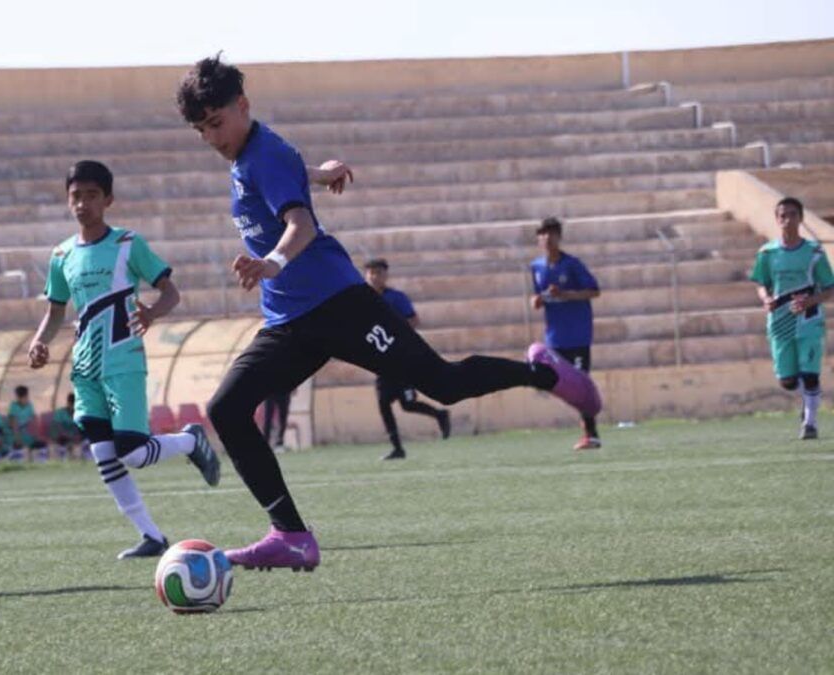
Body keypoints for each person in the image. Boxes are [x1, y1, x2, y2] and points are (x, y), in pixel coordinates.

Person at [177, 55, 601, 571]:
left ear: (242, 106)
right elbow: (283, 174)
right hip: (290, 322)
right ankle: (290, 535)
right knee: (227, 409)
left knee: (442, 384)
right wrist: (318, 171)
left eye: (216, 123)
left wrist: (271, 262)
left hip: (340, 306)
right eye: (201, 130)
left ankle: (544, 372)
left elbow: (301, 224)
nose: (211, 138)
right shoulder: (253, 155)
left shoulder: (262, 152)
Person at [28, 160, 221, 560]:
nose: (83, 203)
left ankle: (189, 440)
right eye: (75, 196)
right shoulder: (61, 254)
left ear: (108, 199)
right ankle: (151, 536)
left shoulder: (128, 244)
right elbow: (56, 311)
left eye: (92, 195)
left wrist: (151, 311)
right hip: (86, 368)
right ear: (68, 200)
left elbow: (171, 292)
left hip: (124, 361)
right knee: (103, 453)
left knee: (131, 452)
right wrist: (39, 341)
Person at [750, 197, 834, 440]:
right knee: (786, 380)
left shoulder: (814, 253)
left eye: (792, 215)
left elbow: (830, 287)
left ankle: (810, 422)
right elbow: (761, 284)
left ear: (801, 218)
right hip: (779, 321)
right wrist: (765, 298)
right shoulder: (767, 253)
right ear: (777, 220)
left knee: (810, 373)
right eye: (782, 215)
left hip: (809, 320)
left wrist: (810, 301)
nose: (787, 220)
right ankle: (808, 400)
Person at [363, 259, 452, 459]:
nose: (374, 277)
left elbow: (414, 320)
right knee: (383, 402)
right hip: (380, 359)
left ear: (385, 275)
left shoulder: (396, 297)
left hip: (401, 357)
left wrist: (396, 329)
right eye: (370, 273)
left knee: (407, 403)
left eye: (378, 273)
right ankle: (397, 447)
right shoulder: (362, 300)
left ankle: (440, 415)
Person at [529, 218, 603, 450]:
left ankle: (591, 435)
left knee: (581, 385)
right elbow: (536, 300)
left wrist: (565, 294)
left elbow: (593, 291)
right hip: (554, 337)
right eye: (542, 235)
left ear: (559, 237)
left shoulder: (572, 264)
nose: (547, 239)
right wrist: (538, 300)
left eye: (551, 234)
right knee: (546, 376)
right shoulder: (537, 267)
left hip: (577, 335)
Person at [8, 385, 47, 458]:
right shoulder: (13, 406)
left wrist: (37, 435)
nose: (25, 399)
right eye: (22, 397)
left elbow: (34, 420)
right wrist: (17, 438)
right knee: (19, 448)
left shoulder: (29, 405)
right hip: (17, 435)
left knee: (41, 445)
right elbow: (14, 424)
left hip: (28, 434)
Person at [51, 391, 85, 459]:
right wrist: (67, 435)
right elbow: (57, 427)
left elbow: (82, 428)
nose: (73, 407)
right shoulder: (60, 413)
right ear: (68, 403)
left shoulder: (80, 413)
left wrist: (78, 435)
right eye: (72, 404)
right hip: (62, 438)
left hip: (75, 439)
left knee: (79, 445)